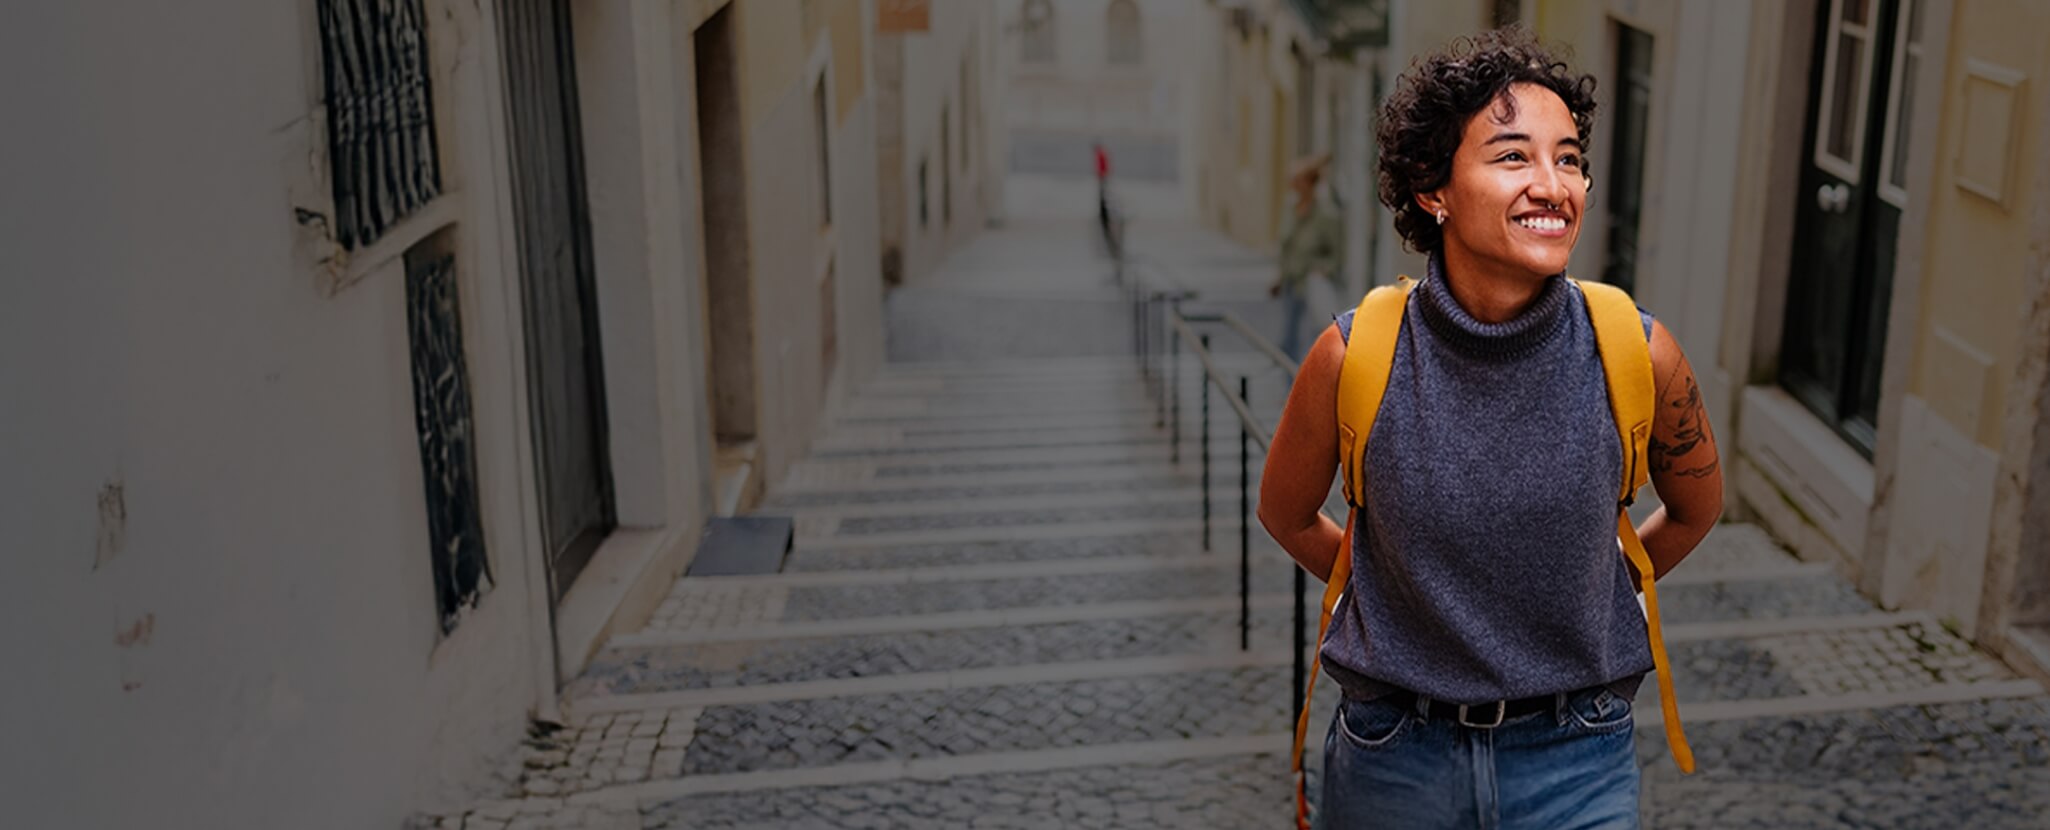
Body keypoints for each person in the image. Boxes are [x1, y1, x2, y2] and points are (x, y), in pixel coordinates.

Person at [1257, 29, 1723, 829]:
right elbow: (1287, 513)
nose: (1553, 185)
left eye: (1569, 159)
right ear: (1432, 188)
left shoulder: (1637, 350)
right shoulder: (1354, 355)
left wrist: (1587, 588)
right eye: (1513, 157)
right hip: (1395, 756)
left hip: (1578, 757)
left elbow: (1695, 508)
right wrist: (1398, 600)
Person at [1270, 154, 1345, 360]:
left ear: (1310, 183)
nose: (1294, 185)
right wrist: (1279, 277)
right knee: (1288, 337)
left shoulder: (1326, 215)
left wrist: (1323, 270)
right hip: (1292, 282)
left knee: (1313, 335)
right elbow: (1287, 247)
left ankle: (1312, 376)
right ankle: (1290, 377)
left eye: (1298, 180)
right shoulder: (1291, 209)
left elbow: (1337, 255)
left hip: (1312, 283)